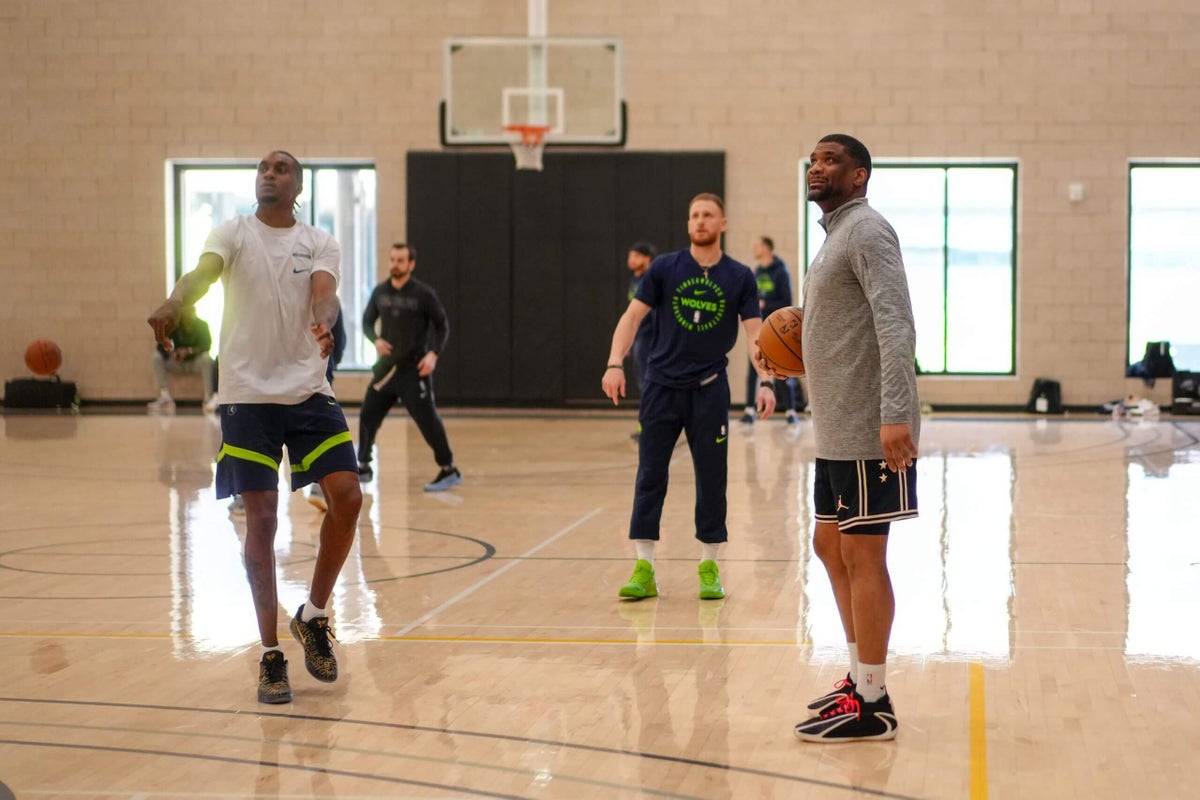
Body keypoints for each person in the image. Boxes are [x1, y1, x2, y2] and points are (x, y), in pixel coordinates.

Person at [147, 150, 363, 705]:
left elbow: (325, 293)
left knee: (348, 496)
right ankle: (271, 654)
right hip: (246, 396)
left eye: (282, 167)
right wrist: (173, 304)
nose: (270, 172)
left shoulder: (318, 240)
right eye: (264, 166)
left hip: (308, 391)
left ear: (298, 187)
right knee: (261, 520)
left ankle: (313, 615)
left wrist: (324, 321)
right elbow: (201, 275)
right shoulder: (233, 232)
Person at [767, 134, 920, 743]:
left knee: (862, 556)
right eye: (812, 158)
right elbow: (837, 329)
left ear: (859, 176)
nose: (816, 166)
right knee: (829, 548)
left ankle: (875, 702)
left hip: (867, 430)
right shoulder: (834, 237)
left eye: (830, 159)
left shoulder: (868, 231)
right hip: (834, 430)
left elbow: (894, 320)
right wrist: (783, 353)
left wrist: (896, 414)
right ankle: (860, 677)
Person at [602, 193, 777, 601]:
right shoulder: (664, 268)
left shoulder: (740, 276)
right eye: (695, 215)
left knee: (712, 480)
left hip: (710, 390)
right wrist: (614, 362)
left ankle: (708, 566)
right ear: (688, 224)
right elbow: (632, 317)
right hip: (661, 388)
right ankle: (644, 567)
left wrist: (766, 381)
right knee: (650, 475)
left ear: (723, 224)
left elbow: (755, 334)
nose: (700, 221)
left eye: (708, 215)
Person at [356, 242, 461, 492]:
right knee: (368, 415)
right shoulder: (380, 292)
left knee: (428, 421)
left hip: (413, 371)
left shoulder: (423, 295)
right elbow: (367, 321)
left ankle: (448, 469)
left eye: (400, 260)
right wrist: (376, 340)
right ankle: (363, 466)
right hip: (387, 371)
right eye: (392, 259)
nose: (395, 264)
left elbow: (442, 326)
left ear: (411, 264)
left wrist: (433, 354)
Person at [739, 236, 805, 426]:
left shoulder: (780, 271)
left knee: (783, 369)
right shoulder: (757, 271)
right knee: (754, 367)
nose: (754, 247)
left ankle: (790, 410)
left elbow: (786, 301)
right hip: (758, 326)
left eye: (757, 245)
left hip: (778, 330)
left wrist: (765, 303)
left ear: (767, 248)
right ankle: (750, 410)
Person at [307, 309, 347, 512]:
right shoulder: (327, 302)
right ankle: (318, 488)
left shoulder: (327, 303)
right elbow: (340, 344)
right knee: (319, 435)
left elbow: (338, 340)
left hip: (316, 375)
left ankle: (318, 488)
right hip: (318, 374)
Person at [147, 304, 216, 413]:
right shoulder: (174, 325)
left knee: (207, 359)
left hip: (194, 362)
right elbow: (160, 345)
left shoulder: (202, 325)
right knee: (156, 357)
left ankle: (208, 397)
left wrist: (189, 351)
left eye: (191, 311)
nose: (188, 314)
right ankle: (165, 396)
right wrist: (171, 352)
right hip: (176, 363)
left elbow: (207, 346)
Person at [624, 241, 658, 439]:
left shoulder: (651, 279)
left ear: (647, 259)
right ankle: (644, 426)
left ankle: (650, 428)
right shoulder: (634, 280)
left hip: (650, 338)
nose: (631, 260)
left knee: (649, 384)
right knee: (641, 384)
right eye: (630, 256)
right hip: (639, 339)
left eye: (636, 256)